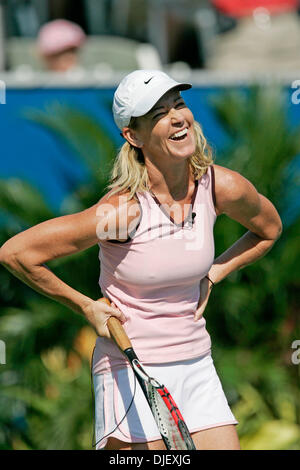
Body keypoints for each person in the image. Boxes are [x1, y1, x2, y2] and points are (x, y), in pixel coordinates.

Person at [0, 70, 282, 450]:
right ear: (134, 136)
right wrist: (85, 307)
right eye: (158, 114)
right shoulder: (123, 212)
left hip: (197, 363)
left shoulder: (221, 187)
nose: (177, 117)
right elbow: (17, 253)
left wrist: (215, 272)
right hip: (129, 372)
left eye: (179, 105)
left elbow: (268, 228)